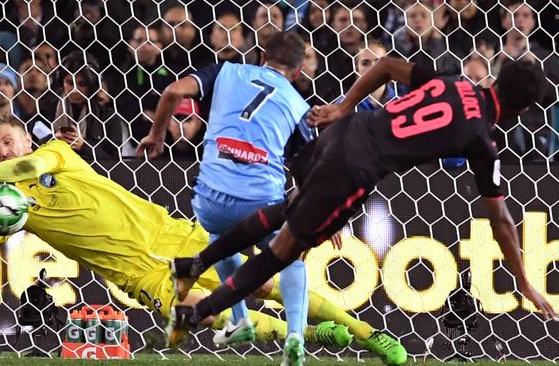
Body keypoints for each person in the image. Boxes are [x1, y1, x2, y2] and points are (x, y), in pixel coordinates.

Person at [166, 58, 558, 360]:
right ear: (520, 112)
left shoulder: (454, 81)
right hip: (353, 171)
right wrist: (523, 280)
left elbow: (387, 66)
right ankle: (198, 313)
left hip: (343, 133)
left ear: (493, 80)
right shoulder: (481, 141)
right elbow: (501, 219)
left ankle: (194, 265)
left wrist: (343, 108)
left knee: (284, 211)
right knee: (284, 252)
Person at [0, 112, 375, 352]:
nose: (2, 150)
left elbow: (30, 164)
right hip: (133, 272)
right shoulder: (9, 206)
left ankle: (365, 332)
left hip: (168, 236)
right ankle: (317, 336)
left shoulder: (54, 153)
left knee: (266, 283)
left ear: (25, 140)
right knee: (204, 317)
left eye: (7, 142)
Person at [137, 31, 318, 366]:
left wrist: (157, 134)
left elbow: (174, 91)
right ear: (297, 72)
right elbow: (312, 166)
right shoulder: (299, 105)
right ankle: (295, 334)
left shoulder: (227, 71)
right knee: (291, 256)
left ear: (261, 56)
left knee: (220, 237)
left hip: (211, 199)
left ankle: (240, 319)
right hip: (263, 200)